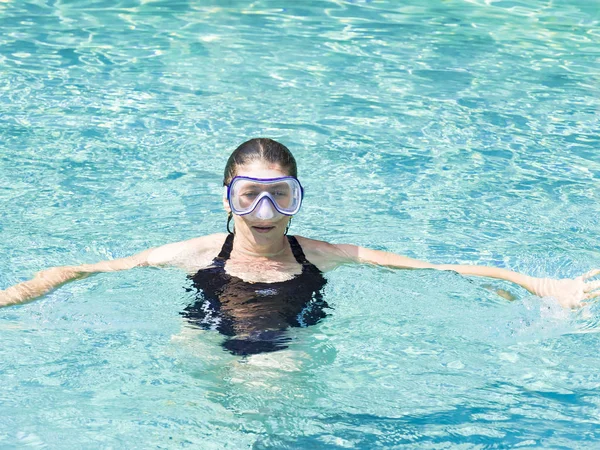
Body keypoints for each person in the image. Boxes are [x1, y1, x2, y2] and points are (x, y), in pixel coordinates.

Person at [1, 138, 599, 355]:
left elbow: (441, 269)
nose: (265, 213)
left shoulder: (325, 253)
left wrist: (543, 286)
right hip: (200, 338)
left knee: (268, 390)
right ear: (228, 196)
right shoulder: (193, 253)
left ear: (297, 197)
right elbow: (80, 269)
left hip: (287, 342)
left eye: (279, 196)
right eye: (250, 195)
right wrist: (13, 296)